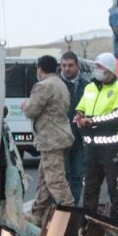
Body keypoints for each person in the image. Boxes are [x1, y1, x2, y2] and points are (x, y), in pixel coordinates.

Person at [74, 52, 118, 222]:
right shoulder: (89, 88)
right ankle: (88, 222)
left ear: (110, 69)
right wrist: (79, 116)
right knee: (89, 187)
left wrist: (93, 121)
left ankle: (117, 222)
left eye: (100, 67)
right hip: (91, 147)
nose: (96, 70)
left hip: (111, 147)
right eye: (96, 66)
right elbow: (81, 107)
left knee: (115, 187)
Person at [22, 54, 75, 226]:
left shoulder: (44, 86)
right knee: (44, 182)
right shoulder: (60, 84)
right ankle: (36, 216)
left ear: (40, 69)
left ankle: (71, 217)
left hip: (50, 140)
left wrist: (25, 106)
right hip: (58, 138)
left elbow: (32, 110)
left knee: (55, 181)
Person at [59, 51, 89, 205]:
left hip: (80, 138)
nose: (67, 69)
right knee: (63, 176)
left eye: (70, 65)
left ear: (77, 66)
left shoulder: (87, 86)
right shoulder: (57, 85)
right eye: (64, 65)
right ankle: (63, 209)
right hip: (62, 138)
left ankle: (74, 207)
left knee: (78, 175)